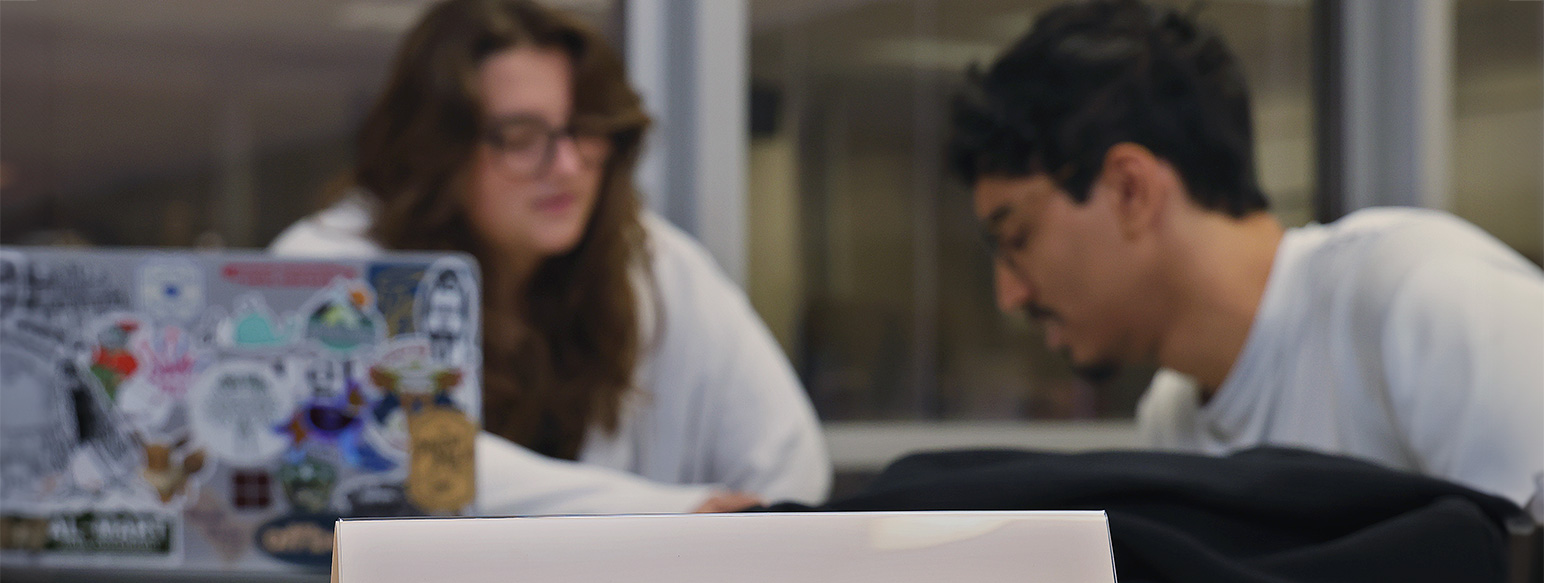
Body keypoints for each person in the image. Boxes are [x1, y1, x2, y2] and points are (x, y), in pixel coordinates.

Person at [947, 0, 1543, 506]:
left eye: (1017, 238)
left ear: (1131, 190)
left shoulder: (1424, 300)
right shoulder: (1173, 415)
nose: (1011, 293)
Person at [272, 0, 830, 514]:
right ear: (437, 150)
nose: (565, 166)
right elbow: (399, 458)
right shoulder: (332, 269)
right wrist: (670, 516)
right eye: (521, 136)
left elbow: (790, 467)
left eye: (584, 131)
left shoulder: (653, 263)